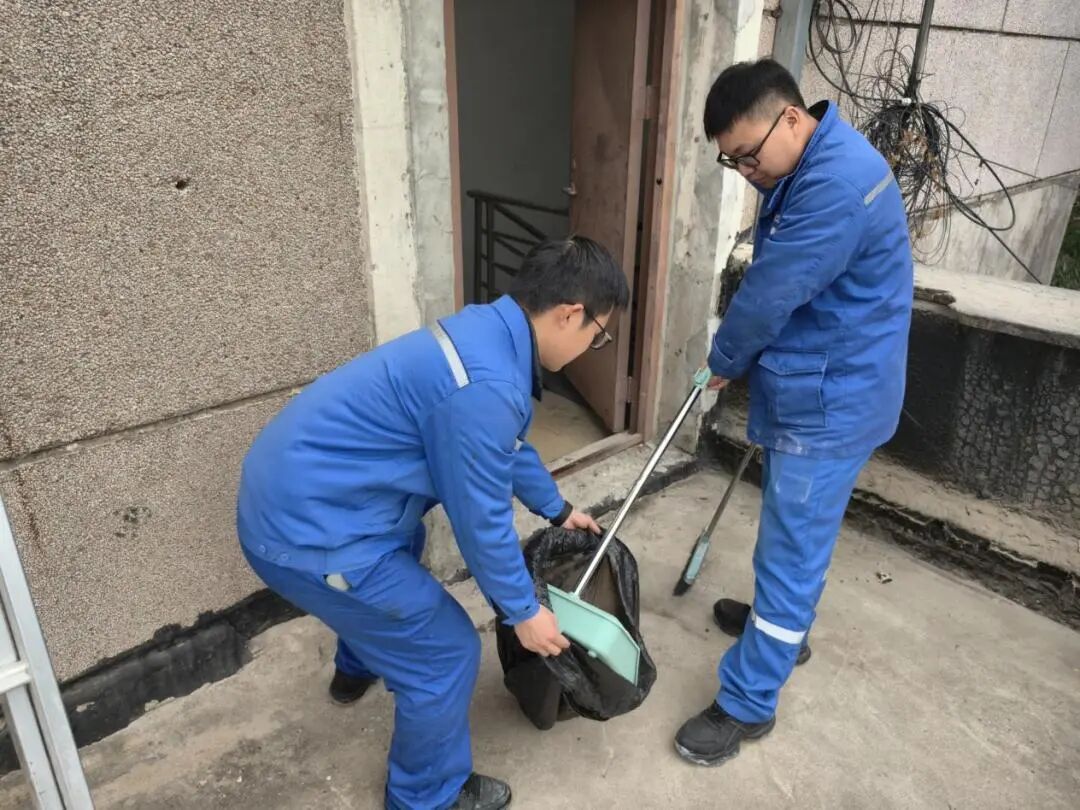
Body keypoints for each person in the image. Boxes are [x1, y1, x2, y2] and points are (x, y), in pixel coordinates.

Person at [237, 236, 629, 809]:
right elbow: (481, 519)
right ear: (571, 314)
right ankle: (425, 796)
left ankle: (356, 667)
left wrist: (557, 508)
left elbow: (504, 445)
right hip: (309, 532)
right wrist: (523, 612)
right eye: (598, 334)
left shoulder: (485, 334)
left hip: (318, 494)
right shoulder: (487, 385)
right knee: (445, 652)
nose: (593, 346)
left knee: (407, 550)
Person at [674, 58, 913, 766]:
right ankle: (781, 630)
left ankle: (748, 703)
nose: (746, 173)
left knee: (790, 553)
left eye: (748, 156)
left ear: (790, 117)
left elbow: (772, 290)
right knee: (794, 539)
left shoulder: (834, 185)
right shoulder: (815, 159)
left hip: (831, 401)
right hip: (827, 377)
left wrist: (723, 361)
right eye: (733, 163)